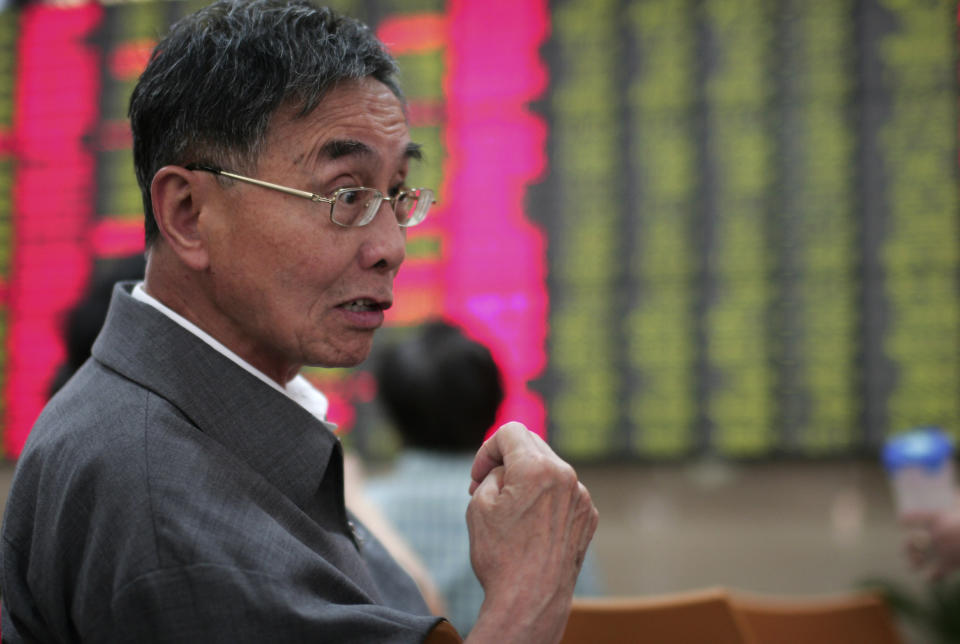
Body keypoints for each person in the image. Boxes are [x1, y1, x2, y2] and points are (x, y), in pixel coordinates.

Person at [0, 1, 598, 642]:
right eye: (346, 195)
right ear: (188, 214)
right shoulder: (161, 504)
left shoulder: (202, 433)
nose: (392, 246)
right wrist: (527, 598)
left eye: (398, 194)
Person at [364, 320, 603, 635]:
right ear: (495, 407)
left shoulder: (356, 518)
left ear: (390, 413)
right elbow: (589, 628)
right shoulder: (550, 517)